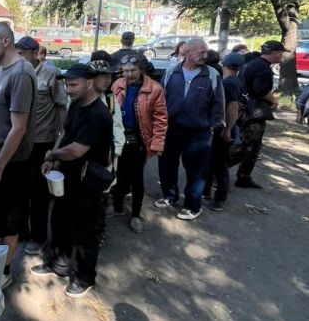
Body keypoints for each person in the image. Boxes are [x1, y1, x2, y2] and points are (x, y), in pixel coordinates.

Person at [32, 63, 113, 297]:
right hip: (67, 175)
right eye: (67, 85)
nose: (68, 89)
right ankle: (57, 264)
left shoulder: (98, 113)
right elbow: (65, 135)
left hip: (89, 180)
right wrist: (54, 160)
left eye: (73, 84)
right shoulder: (76, 105)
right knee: (59, 220)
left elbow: (77, 150)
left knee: (85, 231)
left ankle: (83, 278)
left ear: (89, 83)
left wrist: (51, 154)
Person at [0, 22, 37, 288]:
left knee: (10, 221)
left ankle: (4, 272)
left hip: (12, 163)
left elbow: (19, 129)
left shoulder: (21, 73)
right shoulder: (3, 70)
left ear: (5, 41)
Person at [155, 38, 225, 220]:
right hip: (171, 129)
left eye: (206, 52)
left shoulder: (211, 74)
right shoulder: (172, 71)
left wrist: (214, 125)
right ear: (187, 52)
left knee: (196, 171)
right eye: (201, 52)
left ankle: (193, 206)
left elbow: (218, 103)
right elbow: (160, 98)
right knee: (167, 165)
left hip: (198, 133)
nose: (205, 55)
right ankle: (169, 196)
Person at [15, 35, 67, 257]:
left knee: (39, 192)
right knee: (20, 189)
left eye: (22, 54)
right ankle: (21, 231)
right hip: (19, 141)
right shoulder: (16, 73)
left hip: (42, 141)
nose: (18, 58)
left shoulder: (51, 74)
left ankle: (37, 236)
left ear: (35, 54)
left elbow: (61, 106)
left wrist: (60, 140)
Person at [110, 54, 168, 232]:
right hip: (119, 137)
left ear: (141, 70)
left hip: (139, 139)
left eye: (133, 70)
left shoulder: (155, 89)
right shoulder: (117, 84)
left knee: (136, 178)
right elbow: (110, 109)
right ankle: (118, 207)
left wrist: (157, 143)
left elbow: (160, 118)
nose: (128, 74)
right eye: (125, 71)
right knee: (118, 174)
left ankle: (136, 214)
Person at [235, 40, 285, 188]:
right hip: (254, 112)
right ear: (275, 53)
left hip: (247, 109)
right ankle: (216, 173)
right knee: (247, 145)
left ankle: (243, 177)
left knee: (252, 146)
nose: (282, 56)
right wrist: (273, 100)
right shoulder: (263, 68)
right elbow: (260, 90)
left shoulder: (253, 63)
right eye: (281, 53)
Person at [204, 52, 244, 211]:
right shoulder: (233, 80)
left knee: (219, 165)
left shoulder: (229, 83)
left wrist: (227, 129)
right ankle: (206, 192)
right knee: (211, 161)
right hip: (222, 128)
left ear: (224, 63)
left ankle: (220, 198)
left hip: (223, 129)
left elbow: (233, 107)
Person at [89, 58, 125, 162]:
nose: (108, 80)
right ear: (92, 78)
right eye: (104, 76)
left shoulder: (110, 97)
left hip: (106, 154)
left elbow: (117, 125)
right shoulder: (79, 97)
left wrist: (116, 151)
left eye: (109, 76)